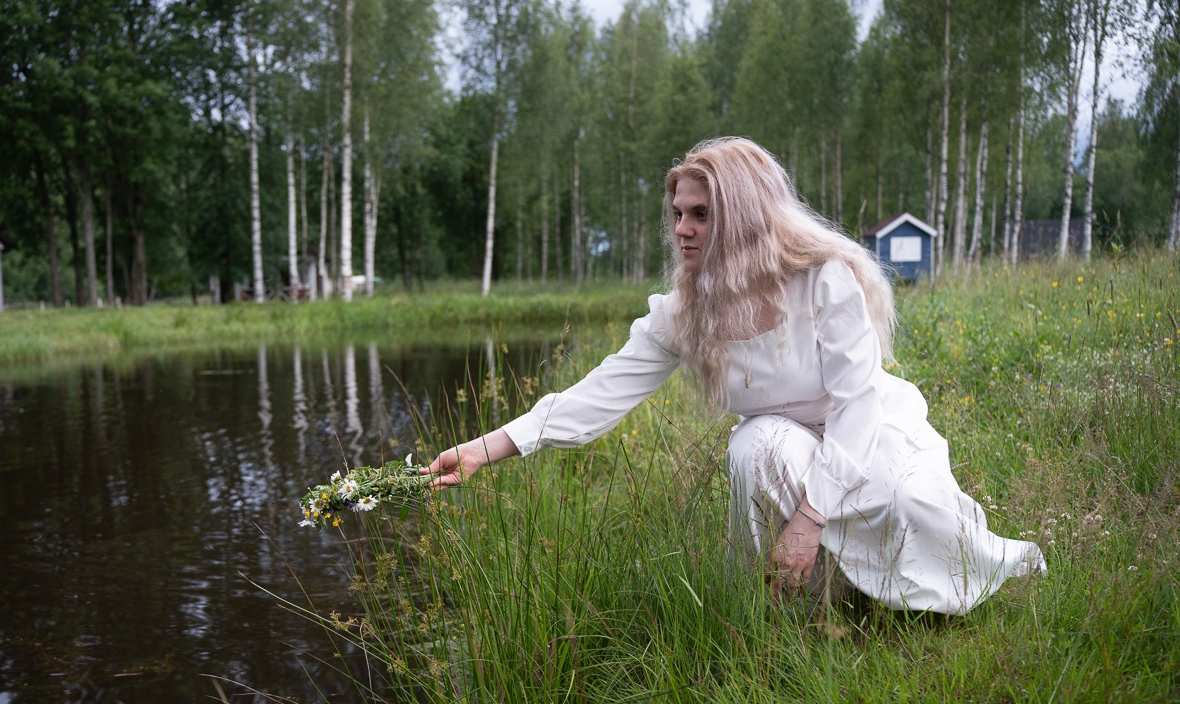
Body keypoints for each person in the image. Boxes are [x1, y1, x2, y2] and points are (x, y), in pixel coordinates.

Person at [423, 137, 1045, 615]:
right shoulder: (684, 312)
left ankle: (920, 591)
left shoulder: (823, 278)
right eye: (677, 213)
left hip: (866, 432)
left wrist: (809, 518)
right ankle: (791, 608)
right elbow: (599, 395)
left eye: (700, 214)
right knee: (754, 444)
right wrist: (482, 449)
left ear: (744, 215)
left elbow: (857, 404)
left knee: (916, 516)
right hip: (785, 444)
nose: (681, 229)